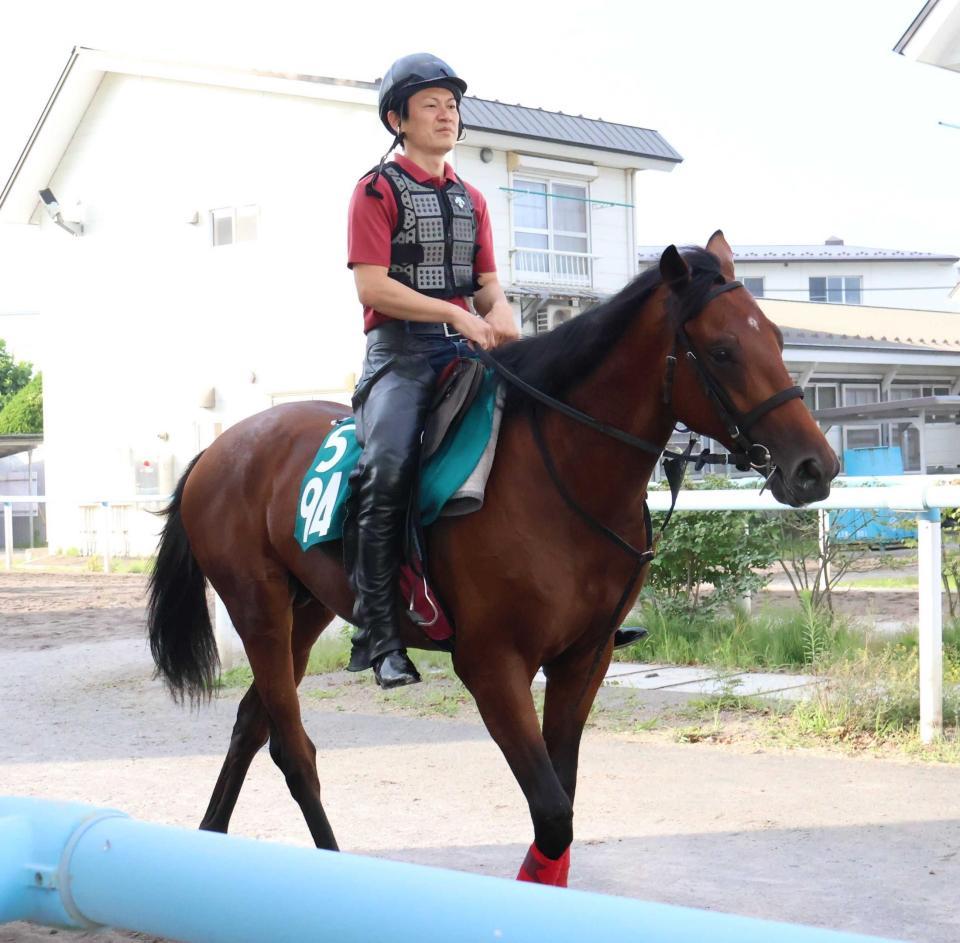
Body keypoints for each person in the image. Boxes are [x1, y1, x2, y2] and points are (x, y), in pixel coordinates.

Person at [342, 53, 519, 689]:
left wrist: (502, 319)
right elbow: (373, 286)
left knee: (549, 431)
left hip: (464, 351)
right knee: (386, 467)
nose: (447, 115)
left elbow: (489, 288)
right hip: (401, 355)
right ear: (398, 120)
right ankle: (380, 633)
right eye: (431, 106)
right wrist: (461, 316)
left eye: (452, 105)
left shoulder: (472, 199)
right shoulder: (376, 190)